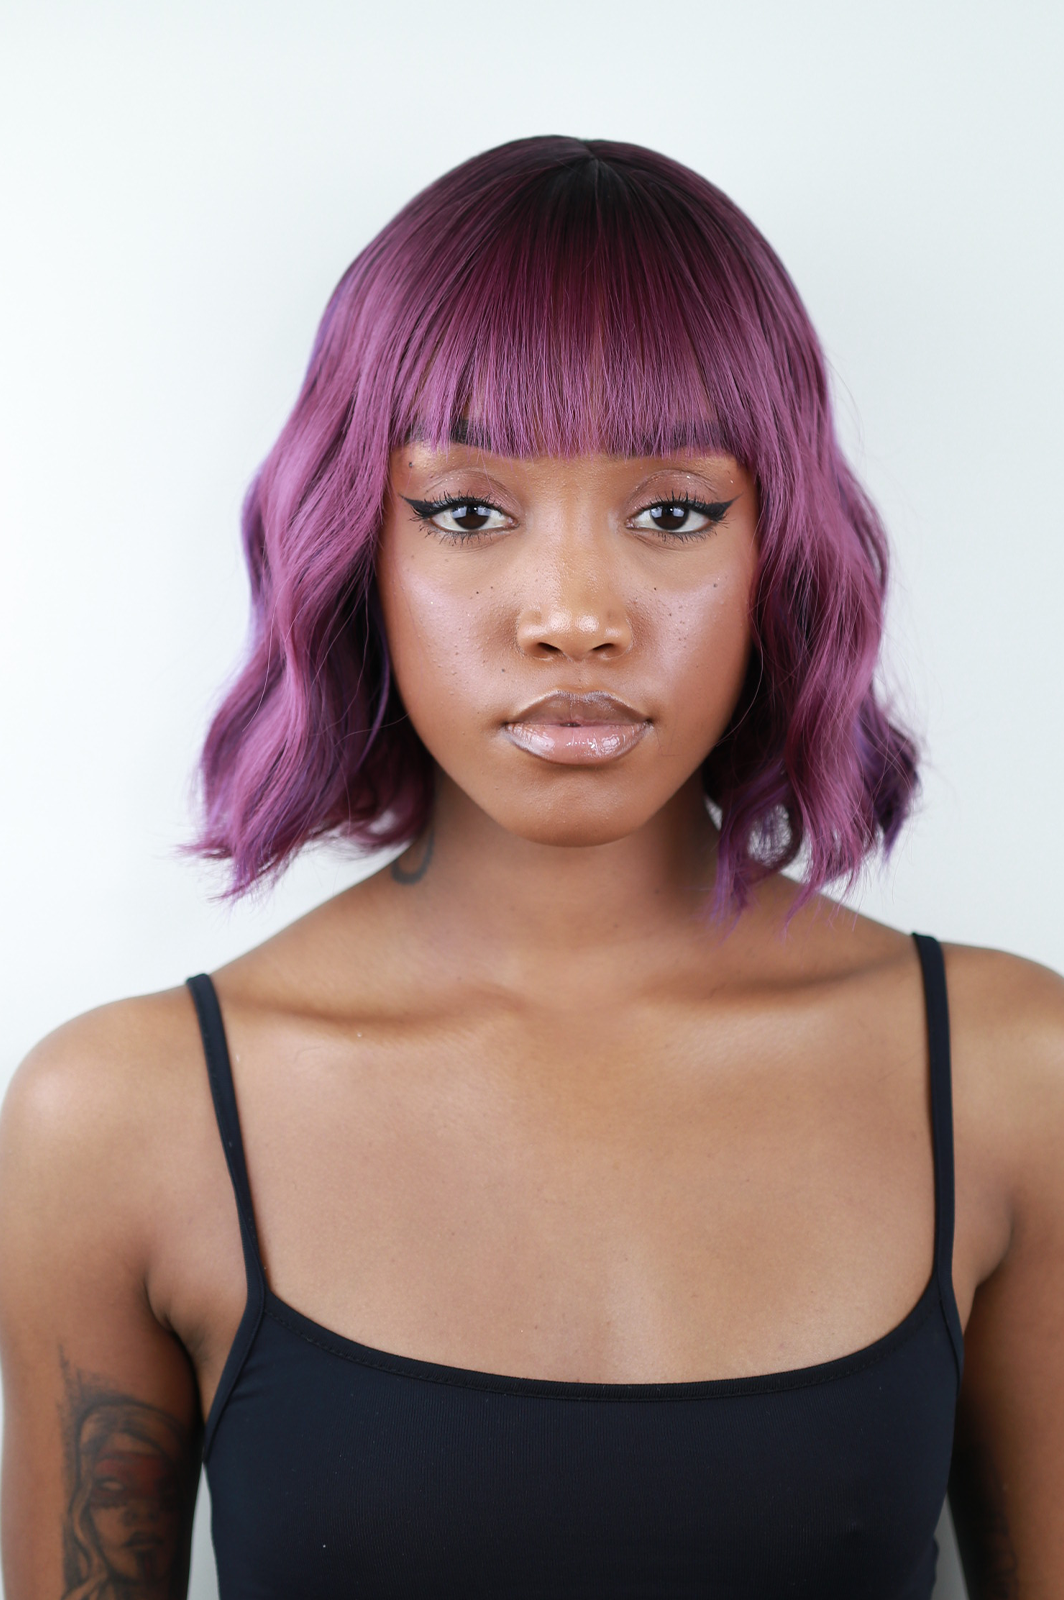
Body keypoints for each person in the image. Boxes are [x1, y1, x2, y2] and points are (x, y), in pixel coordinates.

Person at [0, 135, 1061, 1600]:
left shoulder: (1015, 1083)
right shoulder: (121, 1122)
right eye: (467, 511)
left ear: (780, 551)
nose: (573, 614)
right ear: (354, 546)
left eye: (673, 512)